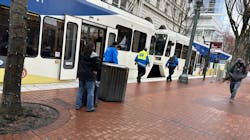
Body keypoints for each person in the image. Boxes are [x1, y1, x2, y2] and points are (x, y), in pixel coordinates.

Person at [75, 43, 101, 112]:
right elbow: (97, 66)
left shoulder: (82, 54)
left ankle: (78, 105)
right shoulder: (94, 56)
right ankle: (89, 107)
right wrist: (95, 71)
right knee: (90, 92)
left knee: (80, 90)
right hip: (90, 76)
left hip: (81, 75)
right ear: (92, 48)